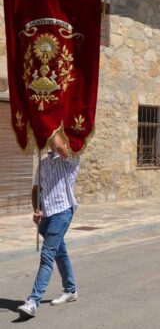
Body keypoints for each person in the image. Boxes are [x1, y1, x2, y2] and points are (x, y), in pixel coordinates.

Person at [17, 133, 80, 318]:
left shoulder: (72, 159)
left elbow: (60, 147)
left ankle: (33, 301)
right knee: (60, 252)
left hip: (62, 212)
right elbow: (36, 189)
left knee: (47, 254)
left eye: (57, 138)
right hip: (46, 216)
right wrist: (36, 209)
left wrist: (49, 125)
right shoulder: (43, 163)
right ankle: (71, 290)